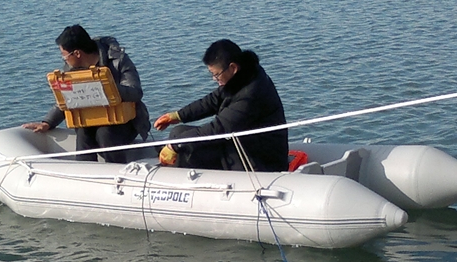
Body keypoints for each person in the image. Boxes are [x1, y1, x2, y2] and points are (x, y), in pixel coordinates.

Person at [153, 39, 289, 171]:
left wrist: (176, 145)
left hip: (259, 159)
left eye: (216, 75)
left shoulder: (250, 96)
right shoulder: (245, 75)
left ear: (233, 68)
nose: (214, 79)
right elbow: (213, 100)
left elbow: (218, 128)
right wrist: (178, 116)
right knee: (178, 132)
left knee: (188, 151)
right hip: (242, 144)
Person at [22, 25, 150, 163]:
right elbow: (67, 98)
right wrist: (48, 122)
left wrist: (106, 88)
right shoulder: (71, 69)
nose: (64, 59)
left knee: (104, 133)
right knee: (83, 133)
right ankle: (86, 171)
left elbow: (136, 92)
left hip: (125, 121)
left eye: (64, 55)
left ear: (77, 53)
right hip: (90, 120)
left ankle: (118, 170)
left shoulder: (118, 60)